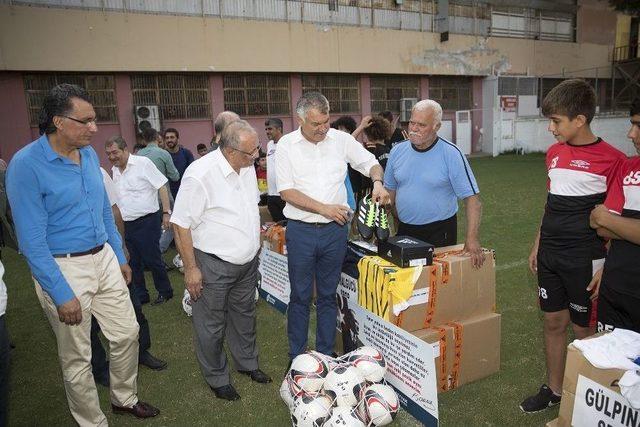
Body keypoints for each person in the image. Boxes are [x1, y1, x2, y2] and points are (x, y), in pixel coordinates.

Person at [6, 83, 159, 425]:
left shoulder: (88, 154)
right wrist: (61, 293)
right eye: (86, 120)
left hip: (103, 256)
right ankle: (92, 421)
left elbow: (103, 209)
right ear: (58, 122)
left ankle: (123, 398)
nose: (95, 127)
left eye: (95, 119)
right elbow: (30, 241)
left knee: (126, 333)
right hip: (63, 267)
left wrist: (118, 256)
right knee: (78, 357)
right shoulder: (26, 165)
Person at [521, 79, 626, 413]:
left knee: (585, 331)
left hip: (586, 257)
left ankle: (586, 400)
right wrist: (539, 243)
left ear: (579, 120)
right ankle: (553, 389)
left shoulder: (614, 160)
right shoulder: (553, 154)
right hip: (551, 253)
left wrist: (607, 264)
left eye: (556, 121)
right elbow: (551, 202)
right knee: (553, 323)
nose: (551, 128)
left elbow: (618, 219)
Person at [275, 92, 389, 364]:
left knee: (327, 296)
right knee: (300, 296)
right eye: (316, 124)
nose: (323, 128)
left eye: (326, 121)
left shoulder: (341, 140)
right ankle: (297, 360)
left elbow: (370, 163)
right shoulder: (286, 145)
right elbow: (287, 192)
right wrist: (324, 208)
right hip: (301, 230)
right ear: (300, 119)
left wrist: (377, 182)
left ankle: (325, 357)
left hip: (334, 232)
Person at [172, 120, 272, 401]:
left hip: (247, 261)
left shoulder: (246, 166)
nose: (257, 156)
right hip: (214, 264)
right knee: (211, 324)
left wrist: (257, 241)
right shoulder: (200, 174)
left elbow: (250, 206)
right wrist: (191, 269)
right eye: (251, 152)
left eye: (257, 149)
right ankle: (217, 377)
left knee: (245, 316)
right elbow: (180, 224)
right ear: (230, 151)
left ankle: (247, 364)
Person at [384, 99, 485, 265]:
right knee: (406, 286)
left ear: (437, 127)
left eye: (421, 125)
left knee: (436, 286)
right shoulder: (396, 151)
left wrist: (472, 238)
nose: (414, 129)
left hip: (440, 232)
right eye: (412, 123)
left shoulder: (451, 154)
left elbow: (473, 201)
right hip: (404, 230)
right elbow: (389, 195)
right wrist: (377, 227)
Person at [90, 168, 167, 387]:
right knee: (89, 323)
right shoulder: (35, 167)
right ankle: (100, 367)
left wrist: (121, 246)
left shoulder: (97, 171)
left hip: (109, 253)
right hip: (75, 263)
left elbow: (113, 212)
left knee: (134, 307)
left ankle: (142, 351)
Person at [589, 98, 640, 334]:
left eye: (639, 126)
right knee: (608, 367)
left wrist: (611, 220)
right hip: (615, 288)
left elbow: (605, 219)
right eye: (632, 124)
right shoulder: (628, 168)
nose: (631, 134)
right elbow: (598, 225)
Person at [105, 136, 174, 306]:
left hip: (147, 221)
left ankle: (165, 292)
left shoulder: (143, 163)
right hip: (126, 224)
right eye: (108, 154)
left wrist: (166, 212)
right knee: (132, 260)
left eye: (115, 152)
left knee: (152, 259)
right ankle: (141, 295)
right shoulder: (114, 170)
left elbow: (162, 186)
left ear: (125, 149)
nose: (112, 157)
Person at [361, 115, 392, 192]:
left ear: (367, 133)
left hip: (370, 191)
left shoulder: (367, 147)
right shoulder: (390, 150)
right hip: (387, 191)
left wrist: (361, 127)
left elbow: (348, 144)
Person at [265, 118, 287, 222]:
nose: (267, 132)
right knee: (277, 226)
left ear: (279, 129)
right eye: (266, 129)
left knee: (287, 225)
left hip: (283, 194)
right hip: (271, 194)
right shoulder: (269, 145)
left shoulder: (287, 143)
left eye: (270, 129)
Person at [164, 128, 195, 200]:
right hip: (169, 193)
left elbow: (192, 171)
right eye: (167, 138)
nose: (169, 140)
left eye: (172, 137)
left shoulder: (186, 153)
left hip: (184, 191)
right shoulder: (163, 154)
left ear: (178, 139)